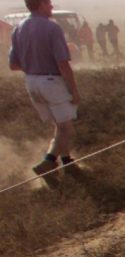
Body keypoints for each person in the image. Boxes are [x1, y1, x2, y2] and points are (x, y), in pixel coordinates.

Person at [8, 0, 79, 182]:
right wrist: (73, 90)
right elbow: (63, 63)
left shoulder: (18, 28)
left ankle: (67, 162)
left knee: (59, 125)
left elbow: (13, 64)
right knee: (67, 129)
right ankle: (48, 162)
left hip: (31, 81)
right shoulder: (52, 28)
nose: (51, 7)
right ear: (40, 5)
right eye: (49, 4)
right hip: (51, 81)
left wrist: (33, 67)